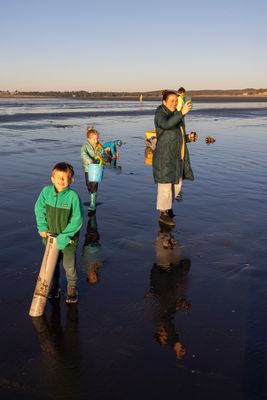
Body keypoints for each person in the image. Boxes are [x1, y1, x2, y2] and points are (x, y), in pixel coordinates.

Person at [34, 162, 83, 304]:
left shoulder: (73, 197)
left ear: (71, 180)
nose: (61, 181)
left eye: (65, 178)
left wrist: (65, 236)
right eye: (58, 177)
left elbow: (77, 220)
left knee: (69, 267)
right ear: (52, 179)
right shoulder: (46, 192)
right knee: (52, 267)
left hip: (68, 241)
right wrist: (42, 227)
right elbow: (39, 209)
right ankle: (54, 288)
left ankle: (72, 288)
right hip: (50, 239)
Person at [153, 90, 197, 227]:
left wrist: (188, 138)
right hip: (165, 156)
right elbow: (166, 125)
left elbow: (177, 134)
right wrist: (181, 113)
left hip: (178, 155)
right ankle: (163, 214)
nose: (174, 103)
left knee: (177, 185)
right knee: (165, 186)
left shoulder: (176, 115)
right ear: (164, 102)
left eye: (176, 101)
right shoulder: (160, 113)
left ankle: (167, 209)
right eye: (171, 101)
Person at [80, 125, 108, 213]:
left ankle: (92, 204)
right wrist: (90, 160)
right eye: (94, 139)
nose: (96, 141)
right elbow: (83, 154)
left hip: (96, 169)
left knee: (94, 184)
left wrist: (105, 159)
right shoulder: (85, 146)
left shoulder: (98, 146)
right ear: (88, 139)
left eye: (97, 139)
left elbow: (104, 154)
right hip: (88, 168)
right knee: (88, 184)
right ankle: (92, 195)